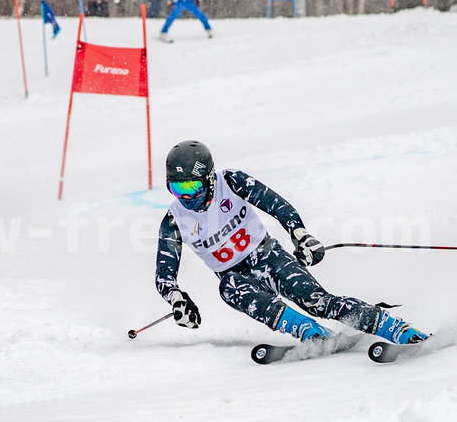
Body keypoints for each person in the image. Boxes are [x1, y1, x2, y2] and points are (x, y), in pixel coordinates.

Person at [155, 140, 428, 345]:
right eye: (176, 188)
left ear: (210, 178)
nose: (186, 197)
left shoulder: (231, 181)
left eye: (192, 187)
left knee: (319, 302)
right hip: (236, 277)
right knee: (228, 287)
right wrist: (177, 299)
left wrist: (300, 235)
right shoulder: (174, 220)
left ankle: (393, 327)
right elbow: (164, 277)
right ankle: (310, 332)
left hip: (269, 257)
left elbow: (277, 205)